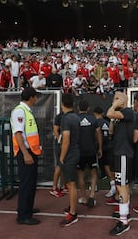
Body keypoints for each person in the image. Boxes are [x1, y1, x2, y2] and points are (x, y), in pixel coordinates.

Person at [10, 87, 42, 225]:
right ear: (31, 98)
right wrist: (25, 153)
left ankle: (27, 208)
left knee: (31, 183)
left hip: (31, 152)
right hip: (26, 153)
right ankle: (23, 215)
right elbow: (18, 134)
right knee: (26, 184)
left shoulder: (25, 111)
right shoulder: (19, 111)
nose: (37, 99)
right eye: (36, 96)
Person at [106, 91, 135, 236]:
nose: (114, 100)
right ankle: (125, 214)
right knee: (122, 185)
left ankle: (124, 221)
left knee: (121, 186)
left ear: (123, 100)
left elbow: (109, 113)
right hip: (119, 153)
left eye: (116, 98)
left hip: (123, 154)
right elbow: (111, 130)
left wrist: (115, 105)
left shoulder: (128, 111)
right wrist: (113, 117)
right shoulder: (119, 116)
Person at [59, 93, 81, 227]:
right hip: (75, 151)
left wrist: (61, 158)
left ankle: (72, 213)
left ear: (62, 105)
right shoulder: (76, 117)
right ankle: (71, 207)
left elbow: (66, 140)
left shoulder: (66, 119)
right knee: (71, 183)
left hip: (70, 154)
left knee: (71, 184)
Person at [77, 100, 102, 208]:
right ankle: (91, 195)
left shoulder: (75, 119)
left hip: (79, 151)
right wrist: (99, 147)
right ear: (88, 108)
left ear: (78, 108)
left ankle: (84, 197)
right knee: (93, 172)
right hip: (91, 150)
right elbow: (98, 133)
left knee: (80, 174)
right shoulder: (93, 119)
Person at [93, 106, 116, 198]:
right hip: (110, 147)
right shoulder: (107, 122)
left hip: (101, 148)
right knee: (108, 166)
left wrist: (98, 148)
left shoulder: (96, 123)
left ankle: (112, 185)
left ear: (94, 113)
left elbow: (96, 136)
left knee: (103, 167)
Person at [49, 111, 66, 198]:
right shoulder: (59, 116)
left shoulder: (70, 115)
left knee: (63, 165)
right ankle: (54, 188)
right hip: (60, 145)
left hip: (66, 144)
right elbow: (55, 130)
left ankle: (63, 186)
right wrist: (60, 142)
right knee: (59, 164)